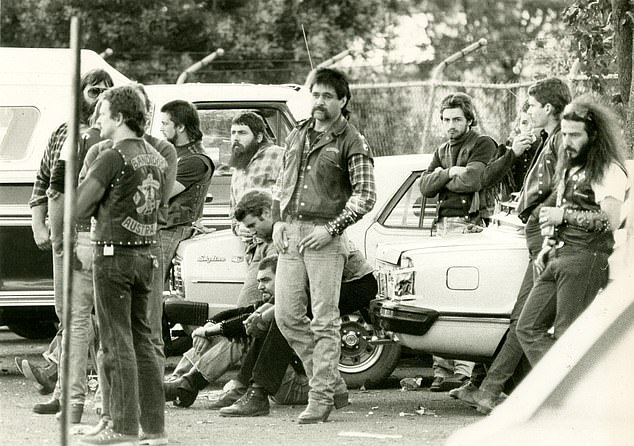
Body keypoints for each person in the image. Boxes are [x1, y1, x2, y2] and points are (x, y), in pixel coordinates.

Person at [452, 77, 572, 414]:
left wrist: (542, 217)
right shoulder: (551, 139)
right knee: (525, 319)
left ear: (549, 108)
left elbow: (563, 187)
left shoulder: (563, 140)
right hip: (539, 234)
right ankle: (488, 388)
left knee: (527, 320)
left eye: (532, 106)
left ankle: (498, 389)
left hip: (547, 238)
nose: (528, 112)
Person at [272, 67, 376, 424]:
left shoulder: (352, 140)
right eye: (315, 94)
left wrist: (331, 229)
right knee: (286, 316)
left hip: (325, 239)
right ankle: (332, 383)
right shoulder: (297, 133)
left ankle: (320, 400)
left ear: (343, 100)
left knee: (325, 321)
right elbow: (281, 181)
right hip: (291, 233)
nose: (319, 101)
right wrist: (277, 221)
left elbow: (365, 196)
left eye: (327, 96)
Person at [76, 85, 168, 445]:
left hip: (113, 256)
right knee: (143, 341)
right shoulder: (156, 157)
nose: (98, 118)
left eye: (103, 111)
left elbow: (80, 206)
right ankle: (154, 428)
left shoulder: (112, 157)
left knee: (116, 344)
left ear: (119, 117)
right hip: (145, 256)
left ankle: (122, 427)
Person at [23, 69, 114, 418]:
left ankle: (100, 399)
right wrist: (38, 223)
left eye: (106, 91)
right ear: (81, 93)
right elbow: (44, 180)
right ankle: (64, 391)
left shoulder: (114, 139)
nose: (99, 95)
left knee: (99, 320)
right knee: (66, 314)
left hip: (97, 237)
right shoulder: (63, 131)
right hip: (63, 238)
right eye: (93, 90)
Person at [517, 96, 627, 365]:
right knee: (527, 328)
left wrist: (562, 215)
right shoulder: (571, 167)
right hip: (559, 257)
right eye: (564, 134)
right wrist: (547, 246)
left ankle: (566, 394)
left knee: (567, 336)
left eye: (575, 135)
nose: (567, 141)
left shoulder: (607, 169)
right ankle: (561, 385)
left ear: (594, 135)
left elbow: (610, 221)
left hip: (586, 259)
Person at [218, 242, 377, 417]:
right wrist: (260, 314)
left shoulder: (306, 234)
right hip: (325, 282)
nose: (252, 234)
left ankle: (258, 393)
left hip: (353, 284)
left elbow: (302, 287)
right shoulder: (289, 231)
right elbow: (290, 288)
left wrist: (266, 315)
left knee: (284, 320)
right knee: (279, 318)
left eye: (253, 225)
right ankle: (246, 387)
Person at [161, 189, 276, 407]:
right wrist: (211, 325)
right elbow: (249, 310)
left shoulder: (278, 249)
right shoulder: (263, 242)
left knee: (240, 334)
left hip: (289, 380)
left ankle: (186, 384)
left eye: (252, 226)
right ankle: (179, 381)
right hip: (274, 365)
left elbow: (251, 316)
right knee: (231, 329)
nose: (249, 232)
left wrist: (214, 327)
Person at [419, 92, 498, 232]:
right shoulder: (441, 150)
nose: (451, 125)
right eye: (446, 120)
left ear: (469, 120)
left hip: (471, 224)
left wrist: (440, 179)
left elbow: (472, 181)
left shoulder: (483, 143)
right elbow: (424, 187)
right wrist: (450, 172)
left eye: (457, 120)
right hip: (441, 224)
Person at [229, 112, 284, 306]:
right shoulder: (237, 167)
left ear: (259, 136)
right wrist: (239, 227)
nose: (235, 137)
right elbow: (232, 214)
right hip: (252, 247)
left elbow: (291, 197)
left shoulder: (278, 155)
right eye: (233, 132)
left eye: (242, 132)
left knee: (248, 304)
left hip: (275, 242)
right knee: (258, 308)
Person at [158, 100, 215, 285]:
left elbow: (158, 194)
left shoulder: (194, 159)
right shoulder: (174, 153)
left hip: (171, 230)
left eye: (165, 123)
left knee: (150, 289)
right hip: (162, 228)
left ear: (180, 126)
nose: (161, 128)